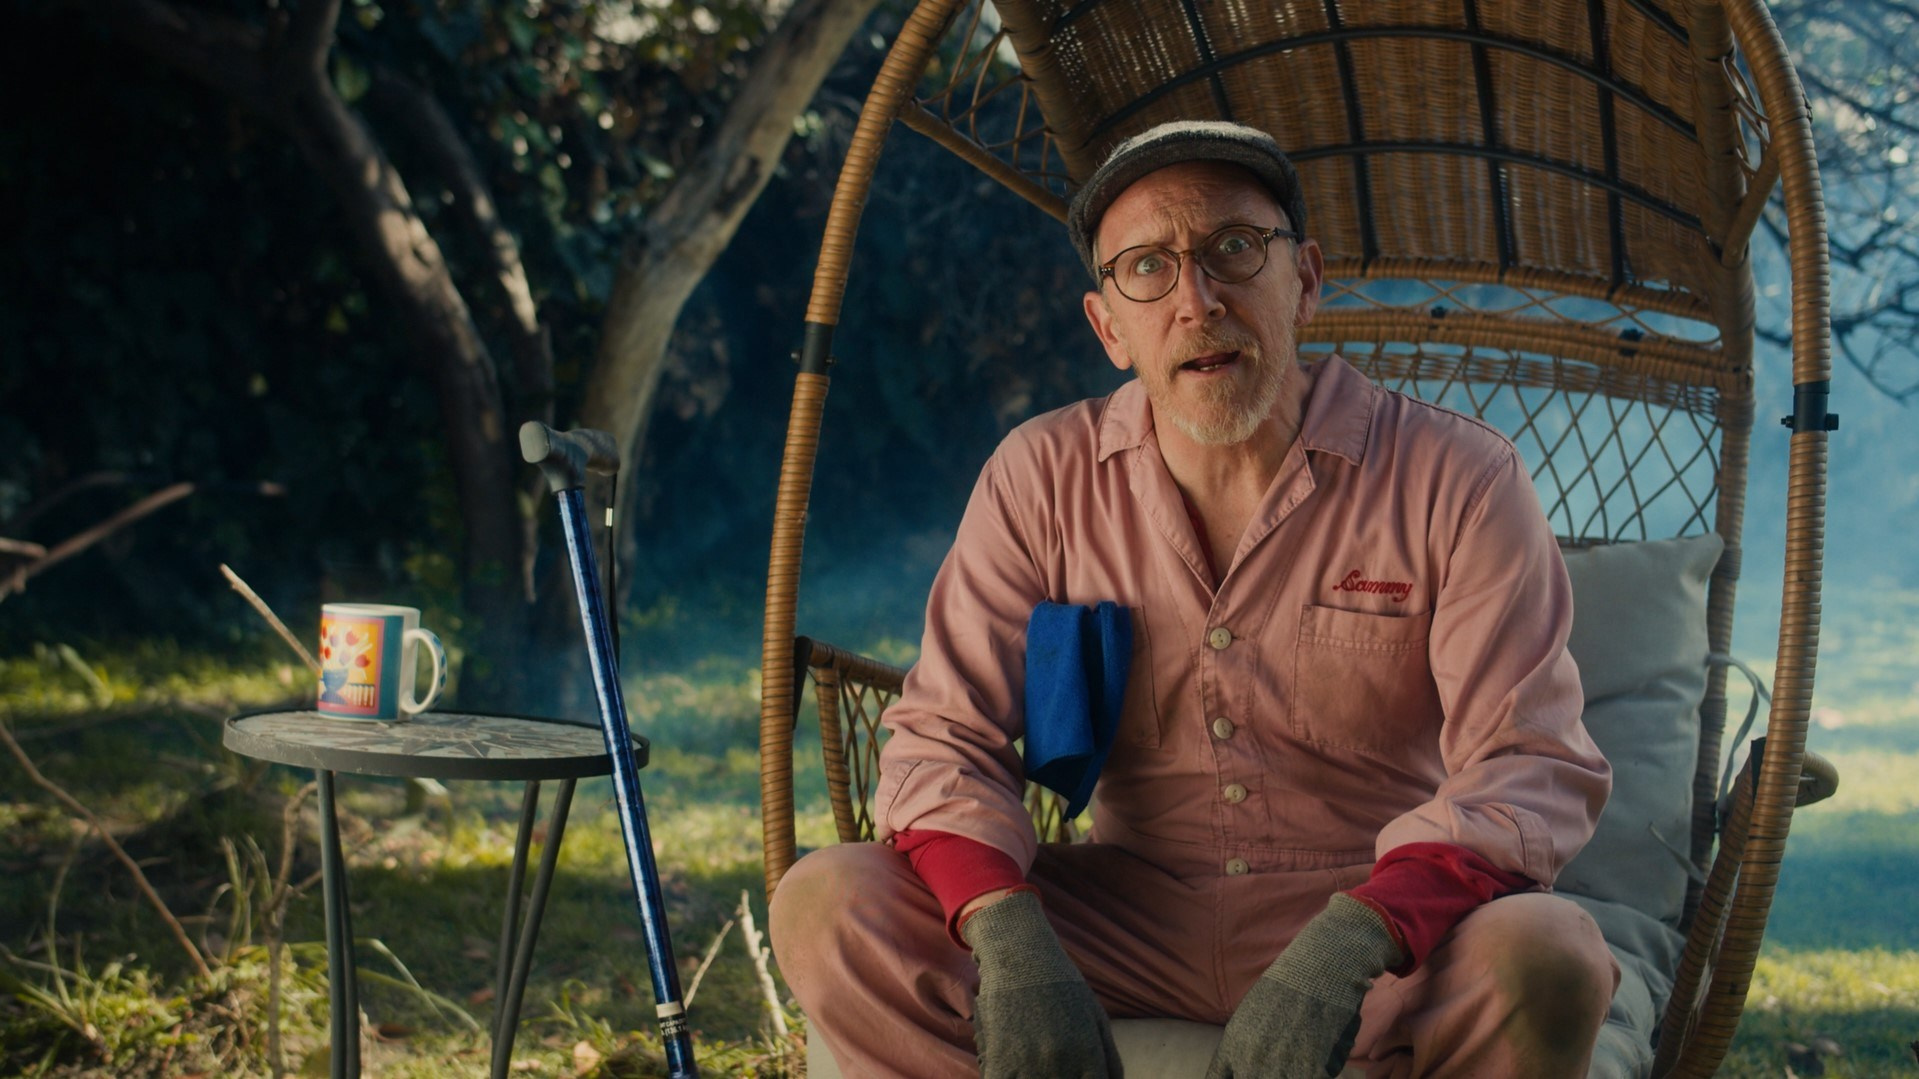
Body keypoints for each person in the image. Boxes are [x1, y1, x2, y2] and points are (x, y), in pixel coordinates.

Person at [770, 120, 1619, 1079]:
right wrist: (1005, 929)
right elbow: (940, 738)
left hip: (1376, 925)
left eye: (1232, 250)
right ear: (1107, 328)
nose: (1196, 300)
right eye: (1147, 269)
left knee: (1548, 953)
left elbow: (1527, 764)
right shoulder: (1039, 476)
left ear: (1302, 280)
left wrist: (1354, 943)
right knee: (827, 898)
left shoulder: (1458, 477)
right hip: (1124, 915)